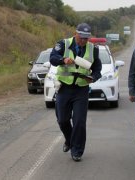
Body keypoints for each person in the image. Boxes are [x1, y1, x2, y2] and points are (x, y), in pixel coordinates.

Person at [50, 23, 102, 162]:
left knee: (79, 122)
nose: (84, 40)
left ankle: (77, 151)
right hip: (64, 88)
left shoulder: (93, 49)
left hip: (81, 89)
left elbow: (97, 69)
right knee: (62, 120)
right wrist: (63, 60)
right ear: (75, 33)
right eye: (81, 37)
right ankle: (69, 139)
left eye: (86, 38)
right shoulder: (64, 44)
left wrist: (93, 78)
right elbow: (52, 58)